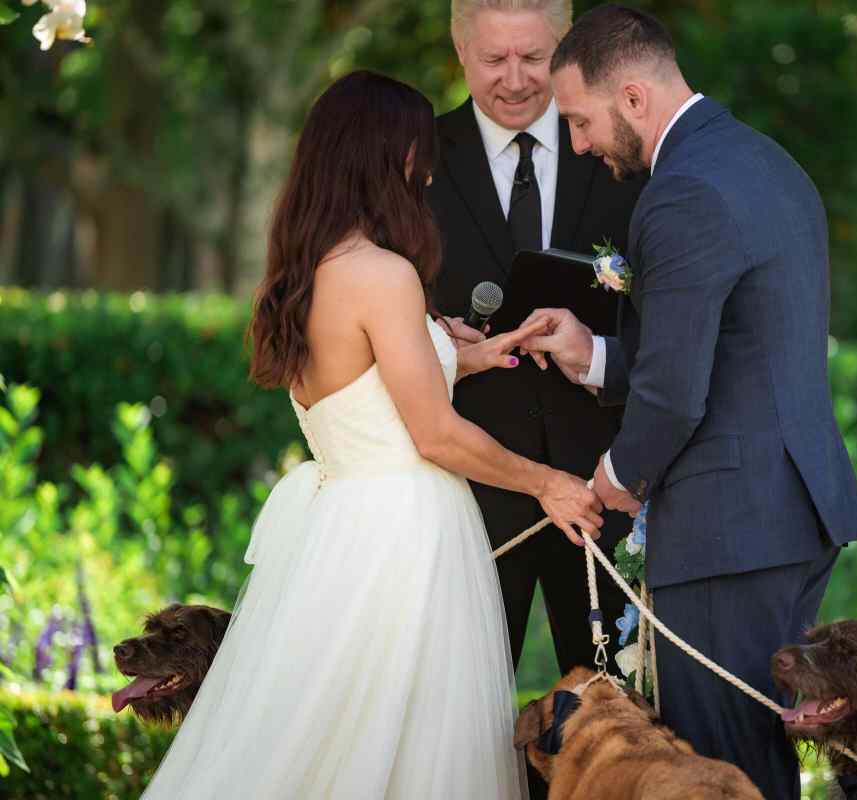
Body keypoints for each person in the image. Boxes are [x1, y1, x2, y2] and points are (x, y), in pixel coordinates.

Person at [137, 70, 601, 799]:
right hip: (403, 534)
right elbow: (436, 436)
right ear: (387, 158)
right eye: (418, 155)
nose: (426, 173)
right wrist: (549, 484)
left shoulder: (308, 268)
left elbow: (369, 392)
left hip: (341, 523)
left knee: (329, 727)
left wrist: (474, 351)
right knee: (407, 740)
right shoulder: (384, 275)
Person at [520, 6, 857, 798]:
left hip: (728, 526)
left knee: (723, 771)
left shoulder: (680, 193)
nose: (578, 144)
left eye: (580, 120)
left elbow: (677, 397)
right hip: (784, 509)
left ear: (634, 98)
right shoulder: (766, 161)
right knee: (748, 759)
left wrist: (615, 477)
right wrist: (594, 355)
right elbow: (729, 352)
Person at [427, 0, 642, 698]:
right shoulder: (416, 157)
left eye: (535, 58)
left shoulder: (621, 151)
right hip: (472, 489)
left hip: (605, 482)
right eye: (495, 59)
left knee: (620, 708)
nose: (516, 79)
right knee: (461, 708)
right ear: (461, 52)